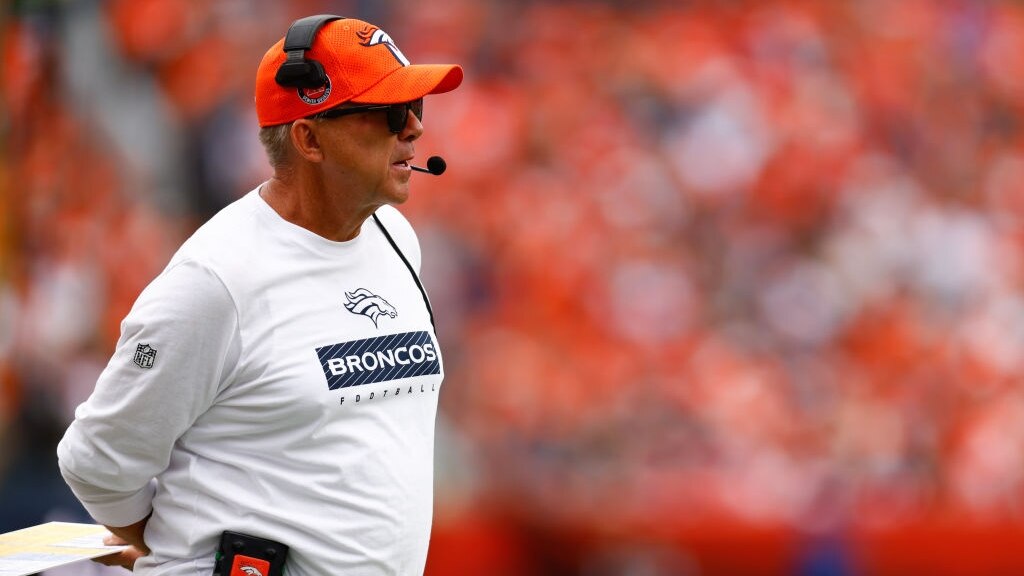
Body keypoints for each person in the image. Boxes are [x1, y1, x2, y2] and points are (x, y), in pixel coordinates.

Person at [56, 14, 463, 575]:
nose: (414, 129)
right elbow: (98, 460)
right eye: (391, 112)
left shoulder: (395, 237)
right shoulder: (215, 280)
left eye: (418, 108)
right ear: (309, 138)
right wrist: (178, 550)